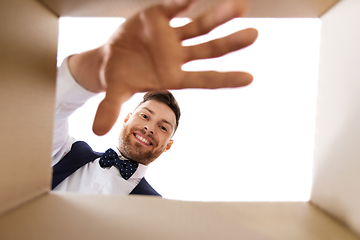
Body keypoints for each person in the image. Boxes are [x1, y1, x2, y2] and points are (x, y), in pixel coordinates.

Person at [51, 0, 258, 196]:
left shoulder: (157, 210)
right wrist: (95, 66)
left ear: (168, 145)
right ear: (127, 119)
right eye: (145, 116)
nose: (150, 128)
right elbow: (47, 113)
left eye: (163, 127)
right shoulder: (64, 151)